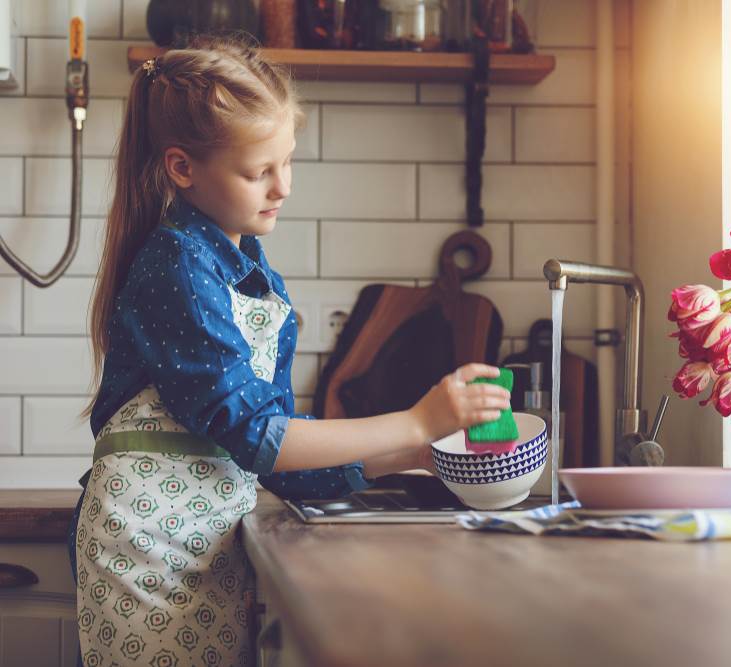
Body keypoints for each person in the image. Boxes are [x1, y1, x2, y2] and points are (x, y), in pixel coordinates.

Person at [68, 36, 510, 666]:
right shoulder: (178, 266)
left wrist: (409, 456)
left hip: (211, 535)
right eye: (259, 171)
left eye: (288, 162)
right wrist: (414, 420)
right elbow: (256, 436)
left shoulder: (248, 271)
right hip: (151, 543)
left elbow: (274, 451)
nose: (283, 187)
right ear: (182, 168)